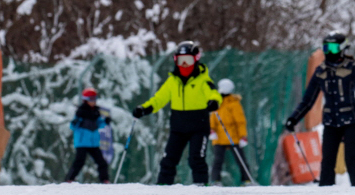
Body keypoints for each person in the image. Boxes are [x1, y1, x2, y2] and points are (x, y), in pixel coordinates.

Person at [284, 32, 355, 186]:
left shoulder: (351, 68)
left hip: (352, 120)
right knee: (327, 163)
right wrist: (294, 117)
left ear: (342, 48)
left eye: (333, 48)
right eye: (326, 48)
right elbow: (308, 100)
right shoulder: (321, 71)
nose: (329, 52)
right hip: (331, 122)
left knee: (351, 160)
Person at [132, 41, 222, 185]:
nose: (184, 64)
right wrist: (144, 109)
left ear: (196, 60)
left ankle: (201, 188)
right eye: (181, 60)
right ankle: (163, 189)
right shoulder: (172, 81)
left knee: (196, 159)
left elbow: (214, 94)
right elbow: (159, 99)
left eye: (188, 60)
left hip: (199, 126)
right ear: (176, 61)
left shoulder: (202, 80)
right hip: (178, 127)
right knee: (168, 160)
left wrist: (214, 102)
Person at [209, 78, 253, 185]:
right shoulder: (217, 102)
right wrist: (212, 130)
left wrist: (243, 136)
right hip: (219, 137)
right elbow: (213, 117)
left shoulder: (234, 103)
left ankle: (247, 179)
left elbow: (240, 121)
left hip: (233, 136)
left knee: (240, 159)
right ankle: (215, 180)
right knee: (217, 160)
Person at [64, 87, 111, 183]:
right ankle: (69, 180)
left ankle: (105, 180)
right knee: (79, 162)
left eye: (95, 98)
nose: (93, 101)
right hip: (82, 143)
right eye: (91, 99)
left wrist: (105, 122)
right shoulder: (81, 112)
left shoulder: (96, 112)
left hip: (93, 143)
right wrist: (75, 122)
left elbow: (99, 124)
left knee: (102, 162)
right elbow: (73, 126)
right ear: (86, 100)